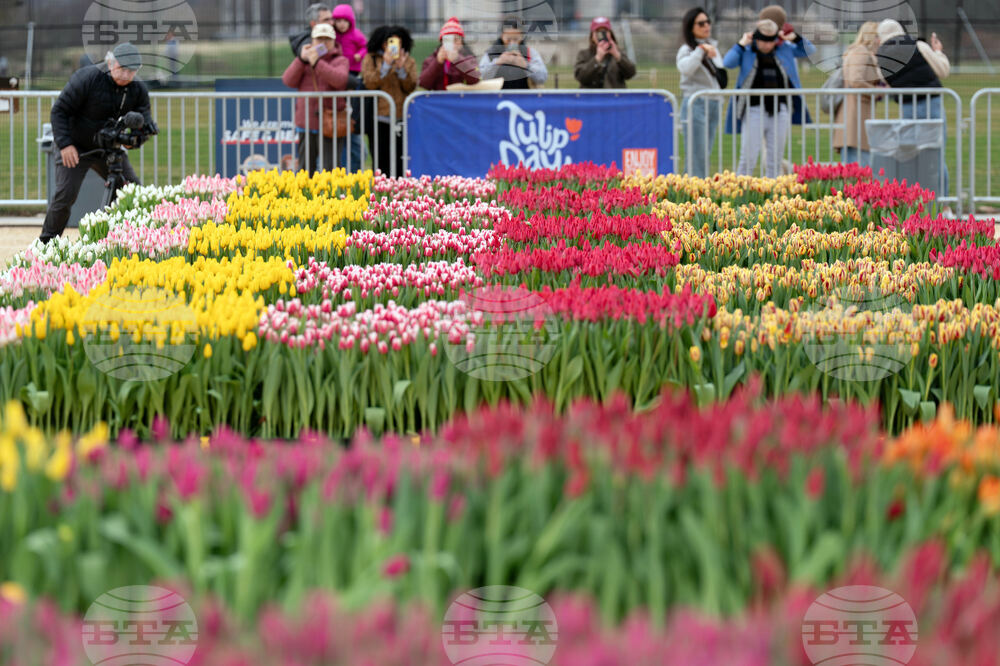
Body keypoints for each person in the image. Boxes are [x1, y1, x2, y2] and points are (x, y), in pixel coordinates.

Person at [41, 43, 154, 244]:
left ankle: (133, 241)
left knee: (134, 192)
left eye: (131, 71)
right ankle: (46, 244)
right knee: (66, 194)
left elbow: (144, 122)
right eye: (122, 68)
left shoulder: (137, 90)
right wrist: (65, 144)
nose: (126, 75)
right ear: (111, 63)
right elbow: (59, 111)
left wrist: (134, 140)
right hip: (76, 146)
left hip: (109, 148)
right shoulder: (88, 78)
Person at [724, 19, 815, 178]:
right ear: (756, 37)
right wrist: (741, 43)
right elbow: (728, 62)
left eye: (771, 40)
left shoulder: (784, 49)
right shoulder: (747, 51)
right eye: (763, 40)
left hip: (779, 109)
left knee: (775, 158)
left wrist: (795, 38)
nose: (767, 45)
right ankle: (741, 187)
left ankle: (772, 189)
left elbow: (809, 50)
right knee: (748, 156)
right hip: (753, 109)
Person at [876, 19, 951, 198]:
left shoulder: (880, 58)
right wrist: (938, 52)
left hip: (907, 108)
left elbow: (885, 82)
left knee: (911, 156)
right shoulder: (918, 45)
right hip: (932, 104)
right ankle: (942, 200)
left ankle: (916, 200)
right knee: (936, 154)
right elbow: (943, 70)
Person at [282, 23, 350, 175]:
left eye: (327, 39)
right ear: (312, 41)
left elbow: (339, 79)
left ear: (334, 41)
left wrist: (317, 63)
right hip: (306, 122)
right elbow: (288, 80)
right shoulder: (304, 61)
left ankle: (331, 191)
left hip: (331, 124)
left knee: (330, 168)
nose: (323, 43)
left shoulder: (340, 60)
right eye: (319, 39)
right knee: (306, 169)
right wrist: (301, 60)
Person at [677, 7, 725, 178]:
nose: (706, 26)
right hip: (696, 103)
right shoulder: (687, 49)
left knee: (705, 151)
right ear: (691, 27)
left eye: (708, 22)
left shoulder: (713, 48)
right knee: (697, 154)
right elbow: (685, 69)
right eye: (701, 23)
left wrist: (710, 52)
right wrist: (700, 51)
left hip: (714, 102)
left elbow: (720, 75)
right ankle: (695, 187)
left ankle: (692, 185)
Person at [362, 25, 415, 177]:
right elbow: (369, 83)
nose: (392, 47)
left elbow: (411, 86)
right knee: (381, 162)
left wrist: (401, 69)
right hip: (379, 119)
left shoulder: (408, 61)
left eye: (397, 42)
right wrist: (385, 66)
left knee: (401, 162)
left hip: (401, 119)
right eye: (389, 42)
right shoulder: (371, 59)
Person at [832, 22, 886, 167]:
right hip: (855, 114)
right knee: (858, 167)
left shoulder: (861, 52)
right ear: (872, 37)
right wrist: (876, 91)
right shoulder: (860, 52)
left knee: (859, 165)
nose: (880, 41)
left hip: (858, 113)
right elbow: (855, 80)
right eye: (879, 36)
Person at [332, 3, 367, 170]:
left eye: (344, 21)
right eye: (338, 21)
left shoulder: (356, 35)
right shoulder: (334, 37)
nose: (341, 24)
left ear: (350, 22)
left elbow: (365, 46)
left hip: (353, 72)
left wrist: (359, 55)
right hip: (339, 72)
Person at [478, 17, 548, 89]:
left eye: (515, 39)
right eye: (508, 39)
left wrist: (526, 66)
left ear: (521, 37)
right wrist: (497, 63)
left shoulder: (530, 53)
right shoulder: (491, 53)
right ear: (502, 36)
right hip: (497, 95)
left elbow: (542, 78)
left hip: (524, 95)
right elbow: (481, 77)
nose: (512, 43)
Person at [419, 18, 481, 90]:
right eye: (448, 40)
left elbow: (475, 79)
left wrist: (458, 60)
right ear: (442, 42)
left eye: (456, 39)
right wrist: (437, 62)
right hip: (438, 97)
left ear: (462, 41)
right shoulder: (431, 59)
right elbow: (423, 83)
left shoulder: (469, 58)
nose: (453, 43)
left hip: (461, 96)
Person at [574, 17, 636, 88]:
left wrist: (617, 56)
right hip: (592, 95)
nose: (601, 35)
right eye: (597, 32)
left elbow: (631, 73)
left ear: (610, 34)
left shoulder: (619, 53)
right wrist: (597, 59)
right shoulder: (584, 54)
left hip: (614, 94)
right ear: (592, 36)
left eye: (604, 31)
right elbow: (580, 77)